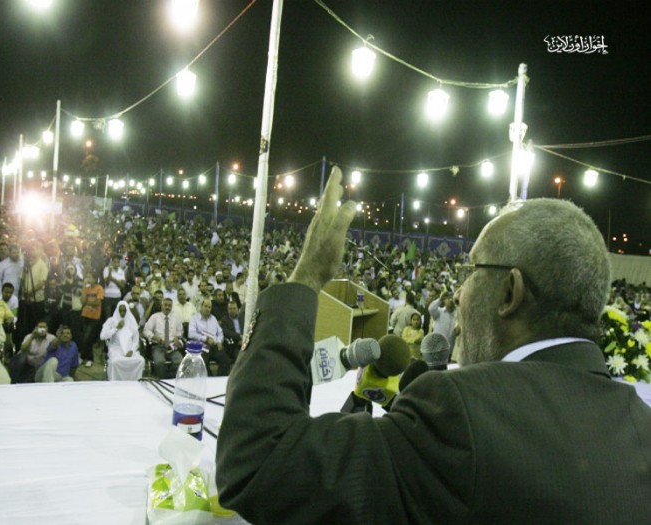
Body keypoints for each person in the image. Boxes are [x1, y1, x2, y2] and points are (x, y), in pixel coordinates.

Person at [215, 167, 651, 524]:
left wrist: (308, 276)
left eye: (471, 271)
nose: (459, 293)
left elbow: (259, 461)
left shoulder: (463, 412)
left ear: (509, 293)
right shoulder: (641, 426)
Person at [100, 300, 144, 381]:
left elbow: (136, 340)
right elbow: (102, 336)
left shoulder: (131, 321)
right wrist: (116, 328)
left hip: (130, 349)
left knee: (140, 361)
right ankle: (115, 383)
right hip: (116, 348)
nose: (122, 313)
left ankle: (134, 383)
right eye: (120, 311)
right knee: (115, 362)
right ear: (117, 310)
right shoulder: (111, 321)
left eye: (124, 311)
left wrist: (132, 350)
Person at [143, 297, 184, 379]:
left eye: (169, 305)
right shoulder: (155, 317)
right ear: (161, 306)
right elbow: (146, 330)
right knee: (159, 362)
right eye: (165, 305)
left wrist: (177, 336)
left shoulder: (176, 317)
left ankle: (170, 379)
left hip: (172, 346)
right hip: (158, 345)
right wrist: (153, 336)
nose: (167, 307)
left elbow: (180, 330)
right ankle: (162, 380)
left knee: (180, 362)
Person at [188, 298, 230, 376]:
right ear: (201, 306)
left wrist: (219, 341)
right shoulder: (194, 318)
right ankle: (209, 379)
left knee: (226, 361)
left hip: (214, 345)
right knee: (202, 361)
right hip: (202, 346)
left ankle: (218, 379)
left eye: (209, 307)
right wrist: (205, 339)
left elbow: (220, 333)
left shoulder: (213, 319)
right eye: (205, 306)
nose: (207, 309)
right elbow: (191, 334)